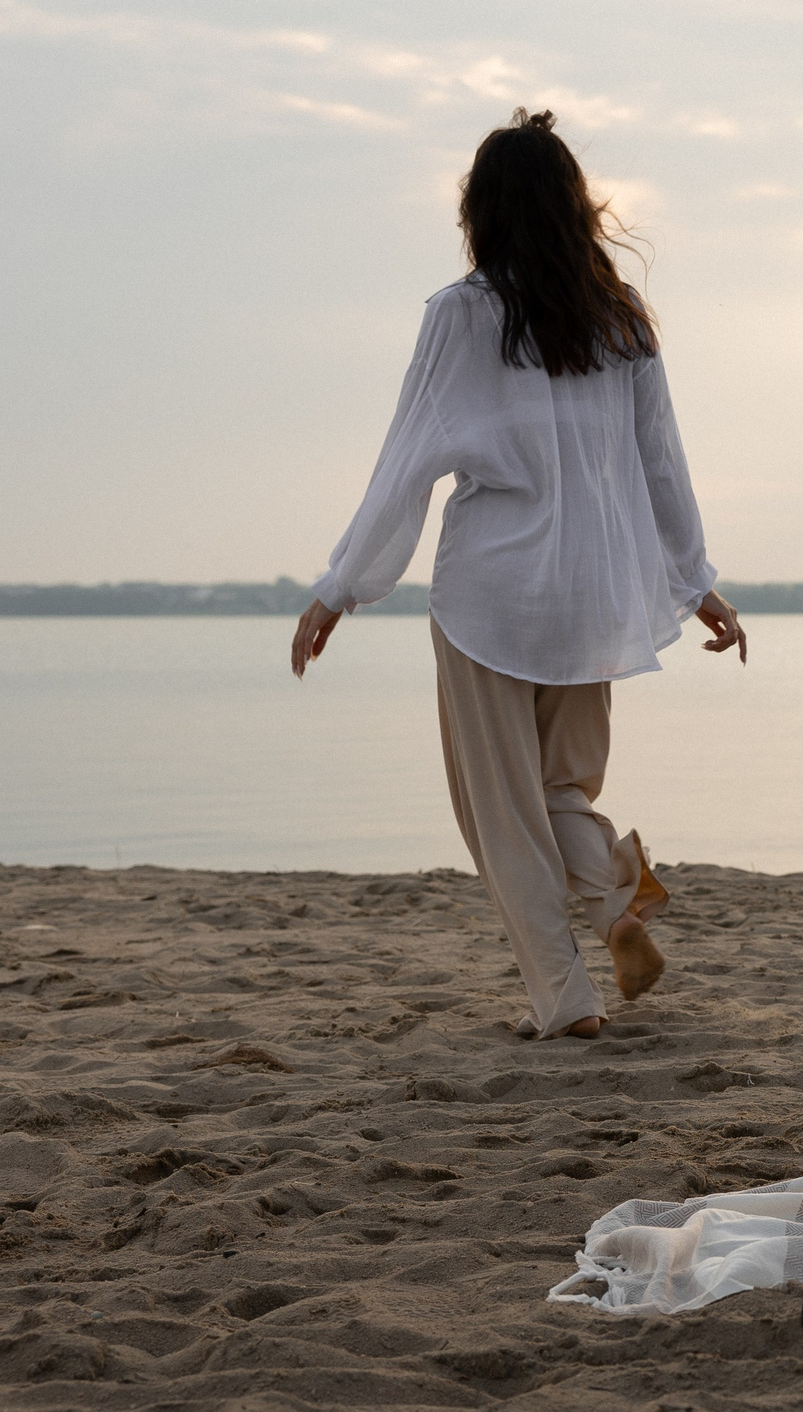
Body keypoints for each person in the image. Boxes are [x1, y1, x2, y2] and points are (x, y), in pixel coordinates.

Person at [290, 109, 746, 1040]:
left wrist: (342, 585)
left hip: (492, 596)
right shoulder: (621, 317)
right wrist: (693, 579)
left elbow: (407, 459)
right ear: (577, 207)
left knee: (504, 813)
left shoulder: (462, 314)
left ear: (483, 211)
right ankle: (616, 905)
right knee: (563, 791)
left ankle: (567, 1000)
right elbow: (662, 459)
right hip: (594, 592)